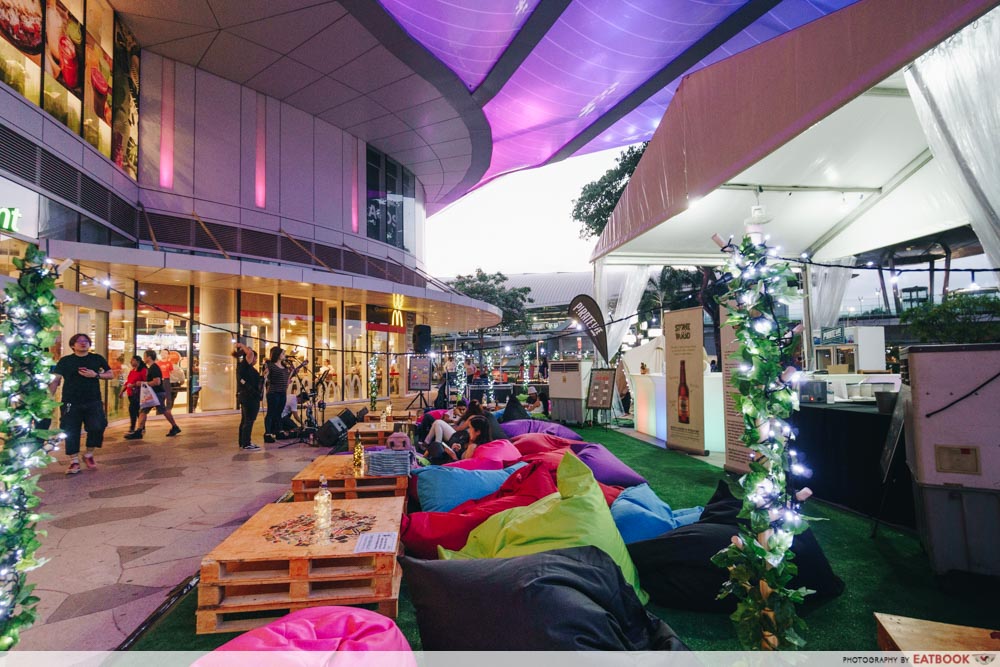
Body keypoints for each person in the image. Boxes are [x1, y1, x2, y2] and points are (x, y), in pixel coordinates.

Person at [50, 333, 115, 475]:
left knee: (98, 426)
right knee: (71, 430)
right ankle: (74, 461)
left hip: (93, 400)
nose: (83, 343)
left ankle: (89, 454)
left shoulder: (96, 358)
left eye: (86, 341)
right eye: (79, 341)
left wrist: (96, 375)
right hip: (71, 402)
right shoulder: (65, 361)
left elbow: (110, 374)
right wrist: (49, 398)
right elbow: (56, 380)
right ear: (73, 345)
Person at [126, 349, 182, 439]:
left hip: (157, 393)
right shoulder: (152, 367)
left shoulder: (154, 368)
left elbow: (157, 382)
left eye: (145, 356)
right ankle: (139, 430)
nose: (143, 358)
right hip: (155, 393)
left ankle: (139, 431)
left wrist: (143, 383)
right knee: (147, 410)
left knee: (149, 410)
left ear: (148, 357)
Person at [234, 342, 262, 451]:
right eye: (255, 358)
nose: (255, 360)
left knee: (245, 420)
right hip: (249, 397)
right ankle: (246, 443)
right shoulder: (244, 366)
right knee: (249, 420)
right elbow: (249, 353)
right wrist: (241, 345)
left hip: (247, 396)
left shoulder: (247, 368)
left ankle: (243, 442)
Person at [263, 346, 290, 443]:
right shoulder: (270, 365)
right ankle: (268, 433)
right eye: (282, 353)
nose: (284, 355)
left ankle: (278, 431)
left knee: (279, 413)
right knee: (271, 412)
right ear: (277, 355)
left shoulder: (285, 366)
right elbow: (265, 376)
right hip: (274, 392)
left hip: (282, 392)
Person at [120, 354, 147, 434]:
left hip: (138, 394)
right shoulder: (132, 371)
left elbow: (145, 381)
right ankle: (138, 427)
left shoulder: (143, 370)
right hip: (131, 394)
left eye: (133, 360)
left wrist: (134, 385)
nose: (131, 362)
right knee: (134, 411)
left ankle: (136, 427)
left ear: (137, 361)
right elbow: (128, 382)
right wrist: (122, 391)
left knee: (135, 410)